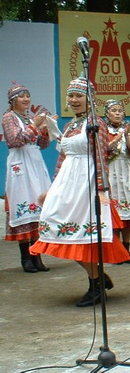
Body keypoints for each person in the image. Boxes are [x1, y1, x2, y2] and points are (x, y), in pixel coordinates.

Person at [30, 76, 130, 307]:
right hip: (68, 182)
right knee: (59, 230)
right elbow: (62, 158)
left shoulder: (96, 123)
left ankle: (96, 285)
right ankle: (98, 278)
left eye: (79, 96)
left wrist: (102, 189)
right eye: (71, 96)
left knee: (83, 238)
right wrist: (52, 188)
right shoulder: (69, 125)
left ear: (90, 99)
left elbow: (101, 157)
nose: (74, 100)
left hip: (87, 183)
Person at [2, 83, 52, 273]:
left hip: (35, 163)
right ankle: (26, 257)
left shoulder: (29, 117)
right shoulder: (8, 117)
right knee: (24, 206)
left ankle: (36, 256)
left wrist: (45, 130)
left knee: (38, 207)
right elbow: (15, 140)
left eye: (27, 96)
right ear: (13, 100)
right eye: (21, 97)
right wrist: (35, 126)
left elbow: (42, 144)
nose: (26, 99)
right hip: (20, 165)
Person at [104, 99, 130, 263]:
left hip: (126, 172)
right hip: (110, 172)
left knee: (127, 214)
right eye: (113, 110)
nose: (117, 113)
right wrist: (113, 143)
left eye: (120, 110)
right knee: (113, 214)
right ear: (107, 113)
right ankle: (115, 252)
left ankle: (127, 250)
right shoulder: (103, 130)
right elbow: (100, 150)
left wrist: (127, 136)